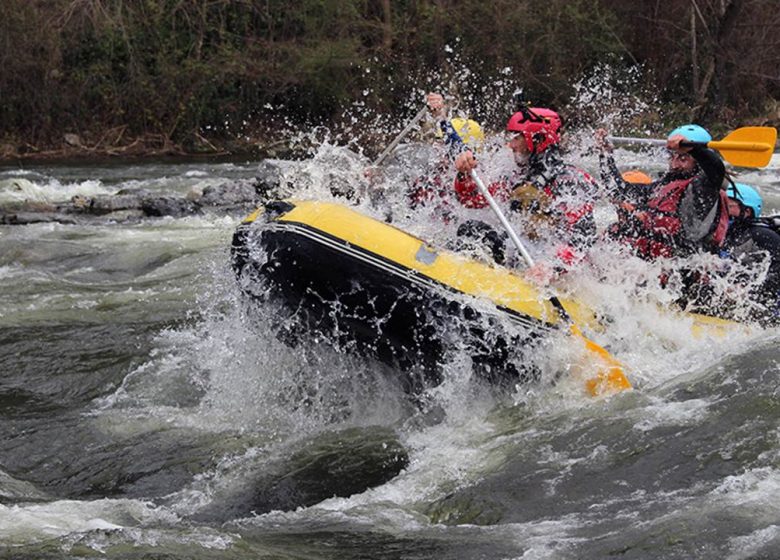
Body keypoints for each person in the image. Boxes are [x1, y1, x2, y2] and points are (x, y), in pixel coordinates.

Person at [451, 106, 600, 276]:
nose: (511, 145)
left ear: (537, 139)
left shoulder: (570, 180)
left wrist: (552, 267)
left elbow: (583, 237)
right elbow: (471, 200)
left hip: (558, 267)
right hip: (527, 253)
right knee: (472, 230)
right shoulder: (517, 176)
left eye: (517, 137)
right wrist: (464, 175)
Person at [594, 124, 730, 260]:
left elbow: (716, 170)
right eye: (672, 157)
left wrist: (695, 150)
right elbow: (618, 190)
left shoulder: (703, 190)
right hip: (659, 267)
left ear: (699, 162)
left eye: (683, 159)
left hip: (687, 269)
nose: (675, 165)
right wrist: (605, 155)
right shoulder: (662, 186)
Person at [720, 182, 780, 320]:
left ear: (747, 211)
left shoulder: (761, 234)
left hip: (770, 307)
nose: (722, 211)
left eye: (728, 206)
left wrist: (748, 289)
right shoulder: (726, 235)